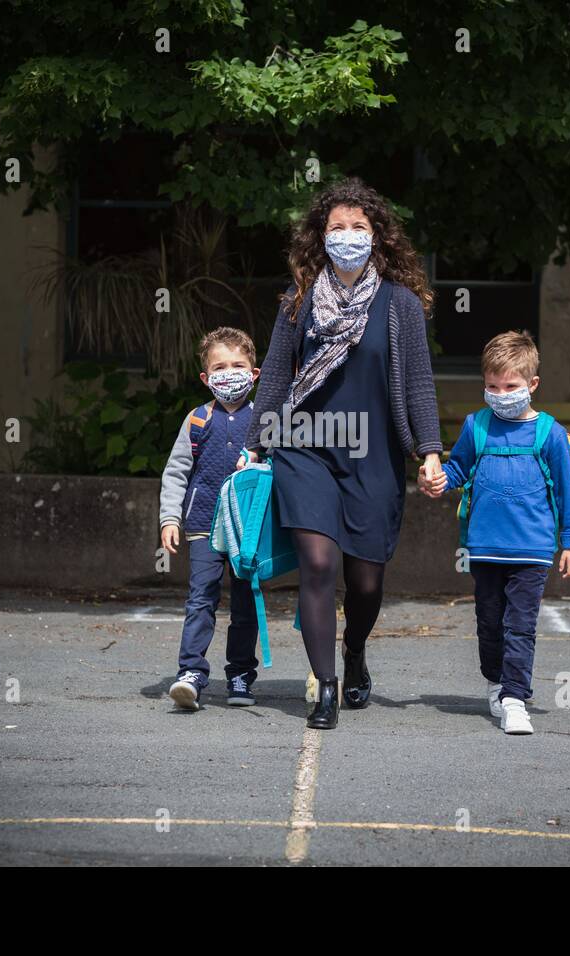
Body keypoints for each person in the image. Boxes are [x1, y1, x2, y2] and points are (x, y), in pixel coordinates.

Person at [239, 177, 444, 730]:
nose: (347, 236)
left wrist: (429, 451)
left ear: (376, 237)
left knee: (367, 583)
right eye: (337, 228)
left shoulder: (398, 305)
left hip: (373, 454)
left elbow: (420, 384)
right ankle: (325, 686)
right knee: (319, 563)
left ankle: (354, 651)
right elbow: (277, 377)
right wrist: (255, 444)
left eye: (358, 227)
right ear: (320, 237)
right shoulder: (299, 300)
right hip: (302, 448)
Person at [419, 331, 570, 734]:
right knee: (489, 622)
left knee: (520, 626)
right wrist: (438, 480)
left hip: (533, 551)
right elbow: (458, 469)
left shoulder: (550, 434)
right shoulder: (477, 426)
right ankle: (495, 680)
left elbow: (566, 490)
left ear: (532, 385)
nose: (500, 393)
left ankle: (515, 697)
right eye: (492, 386)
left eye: (510, 386)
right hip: (484, 549)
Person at [160, 327, 262, 710]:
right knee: (200, 598)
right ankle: (191, 673)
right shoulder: (197, 420)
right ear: (206, 377)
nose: (229, 372)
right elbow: (176, 472)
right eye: (220, 367)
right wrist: (170, 518)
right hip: (203, 526)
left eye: (238, 365)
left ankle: (239, 674)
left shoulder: (265, 422)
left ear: (254, 373)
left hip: (248, 531)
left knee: (244, 603)